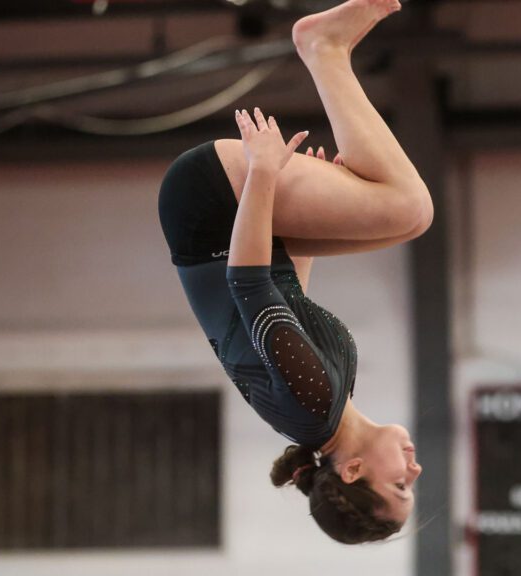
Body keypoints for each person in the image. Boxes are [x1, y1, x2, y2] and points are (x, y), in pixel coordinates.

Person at [157, 0, 428, 544]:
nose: (414, 472)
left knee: (408, 208)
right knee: (395, 225)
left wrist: (263, 174)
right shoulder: (325, 410)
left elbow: (248, 283)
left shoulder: (312, 405)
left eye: (399, 487)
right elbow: (287, 297)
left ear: (352, 472)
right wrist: (316, 211)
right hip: (233, 231)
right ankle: (330, 64)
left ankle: (323, 48)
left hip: (211, 209)